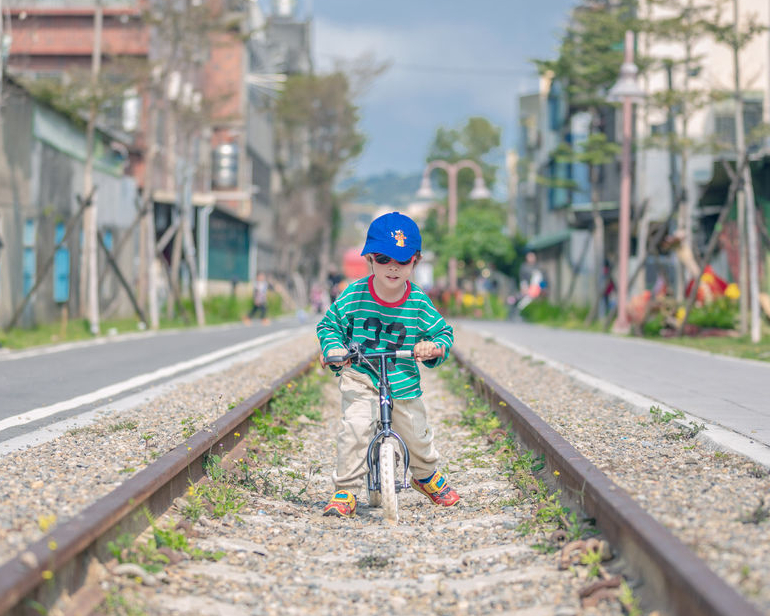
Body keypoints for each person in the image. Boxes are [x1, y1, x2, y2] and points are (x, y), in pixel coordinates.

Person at [316, 211, 459, 518]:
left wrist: (432, 347)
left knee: (417, 433)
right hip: (362, 374)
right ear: (369, 260)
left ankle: (425, 476)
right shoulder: (354, 294)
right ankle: (347, 489)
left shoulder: (418, 302)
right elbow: (329, 326)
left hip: (403, 379)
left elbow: (443, 333)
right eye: (383, 258)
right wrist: (333, 348)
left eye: (402, 260)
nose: (392, 267)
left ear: (415, 261)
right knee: (354, 428)